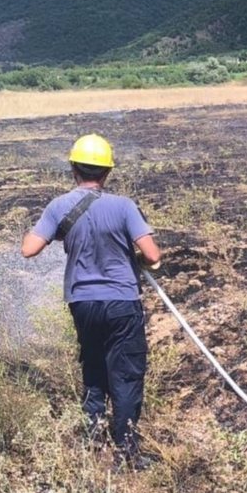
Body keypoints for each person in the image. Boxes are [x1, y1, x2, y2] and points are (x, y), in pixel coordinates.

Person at [21, 133, 162, 469]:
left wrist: (56, 228)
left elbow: (29, 249)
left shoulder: (58, 206)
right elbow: (153, 256)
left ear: (73, 169)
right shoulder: (124, 206)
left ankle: (92, 439)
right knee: (126, 375)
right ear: (107, 173)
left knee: (94, 368)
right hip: (121, 301)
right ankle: (126, 452)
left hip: (82, 302)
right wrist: (138, 260)